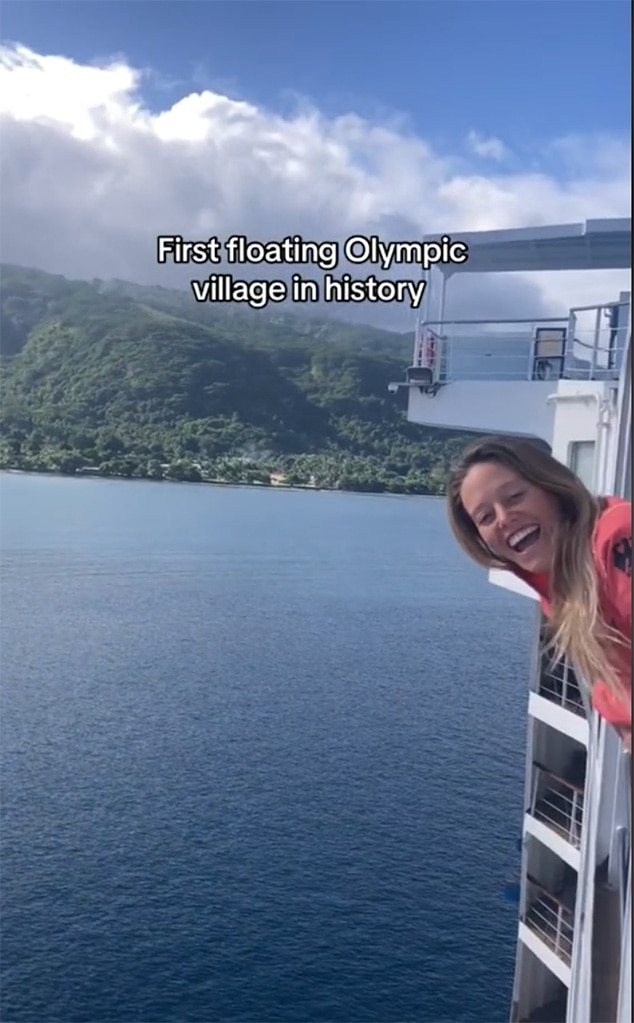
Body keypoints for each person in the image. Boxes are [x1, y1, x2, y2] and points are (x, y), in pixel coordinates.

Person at [446, 435, 632, 753]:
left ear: (552, 488)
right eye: (486, 518)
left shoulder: (616, 540)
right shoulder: (560, 584)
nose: (504, 518)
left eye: (515, 496)